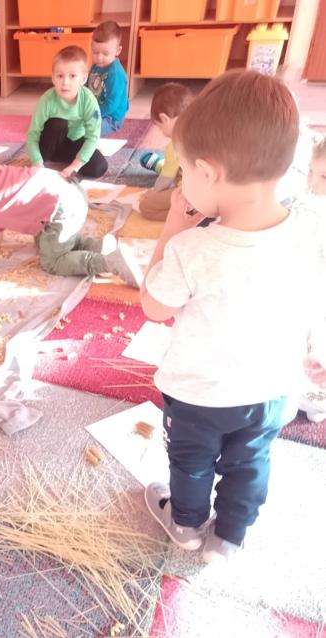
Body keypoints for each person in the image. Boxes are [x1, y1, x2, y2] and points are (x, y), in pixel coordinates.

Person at [140, 70, 326, 563]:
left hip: (199, 395)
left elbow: (154, 306)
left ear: (208, 172)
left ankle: (185, 525)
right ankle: (229, 537)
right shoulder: (312, 231)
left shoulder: (192, 248)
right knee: (251, 462)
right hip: (271, 391)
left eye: (185, 172)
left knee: (191, 462)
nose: (183, 183)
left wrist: (172, 227)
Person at [0, 139, 142, 286]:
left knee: (52, 262)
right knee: (45, 243)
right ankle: (96, 246)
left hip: (62, 208)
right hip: (68, 192)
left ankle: (108, 263)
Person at [26, 45, 107, 179]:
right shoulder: (46, 100)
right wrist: (37, 163)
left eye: (72, 76)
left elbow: (93, 136)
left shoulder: (89, 101)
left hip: (74, 143)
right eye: (60, 76)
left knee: (99, 167)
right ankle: (49, 158)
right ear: (53, 78)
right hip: (49, 145)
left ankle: (66, 159)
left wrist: (75, 165)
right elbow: (32, 134)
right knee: (58, 123)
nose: (65, 82)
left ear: (83, 79)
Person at [137, 84, 193, 221]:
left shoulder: (175, 145)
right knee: (175, 168)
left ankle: (190, 216)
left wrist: (153, 193)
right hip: (214, 195)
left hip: (191, 195)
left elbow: (165, 179)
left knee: (146, 207)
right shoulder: (203, 131)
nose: (161, 132)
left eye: (160, 127)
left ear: (165, 119)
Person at [87, 20, 129, 135]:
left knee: (88, 129)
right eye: (95, 52)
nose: (99, 58)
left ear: (117, 51)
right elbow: (86, 89)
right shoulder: (95, 66)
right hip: (94, 110)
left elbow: (111, 105)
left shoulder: (116, 74)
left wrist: (91, 114)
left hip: (111, 118)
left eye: (105, 54)